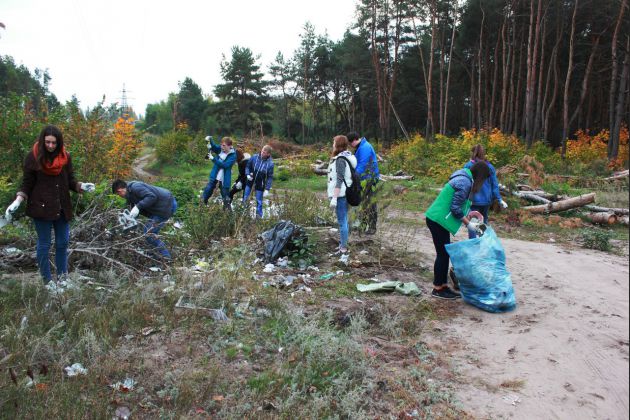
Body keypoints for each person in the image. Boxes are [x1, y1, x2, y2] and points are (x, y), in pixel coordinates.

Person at [4, 125, 95, 284]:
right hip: (41, 207)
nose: (51, 146)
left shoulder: (65, 157)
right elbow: (27, 183)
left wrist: (81, 186)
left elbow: (70, 180)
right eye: (47, 142)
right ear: (42, 141)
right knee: (44, 244)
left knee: (62, 243)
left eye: (54, 142)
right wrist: (17, 201)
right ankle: (47, 282)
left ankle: (62, 279)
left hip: (61, 206)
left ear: (59, 142)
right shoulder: (33, 157)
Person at [424, 161, 491, 300]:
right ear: (480, 176)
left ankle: (443, 286)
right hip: (437, 220)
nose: (483, 183)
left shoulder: (465, 179)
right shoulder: (465, 182)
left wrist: (470, 214)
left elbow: (458, 204)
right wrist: (469, 225)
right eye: (484, 179)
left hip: (440, 220)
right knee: (442, 254)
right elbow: (455, 208)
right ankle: (438, 288)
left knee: (444, 253)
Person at [112, 179, 177, 260]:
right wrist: (122, 224)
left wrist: (138, 206)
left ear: (120, 190)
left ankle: (166, 256)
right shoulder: (130, 195)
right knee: (149, 233)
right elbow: (130, 211)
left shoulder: (136, 187)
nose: (119, 196)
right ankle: (155, 254)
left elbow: (151, 196)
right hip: (160, 207)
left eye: (118, 194)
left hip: (166, 204)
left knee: (149, 233)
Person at [463, 144, 508, 238]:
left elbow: (464, 182)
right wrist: (499, 199)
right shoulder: (490, 167)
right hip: (486, 201)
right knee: (482, 222)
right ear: (483, 154)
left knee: (473, 222)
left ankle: (474, 242)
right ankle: (481, 241)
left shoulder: (468, 165)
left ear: (473, 153)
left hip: (473, 200)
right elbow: (494, 185)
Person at [327, 135, 357, 255]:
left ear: (338, 144)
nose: (333, 144)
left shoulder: (340, 160)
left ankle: (343, 248)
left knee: (342, 221)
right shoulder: (347, 157)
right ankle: (342, 244)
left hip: (340, 195)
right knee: (344, 220)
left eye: (334, 142)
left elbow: (339, 180)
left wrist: (334, 198)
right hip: (345, 192)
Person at [347, 131, 380, 234]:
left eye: (350, 144)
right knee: (363, 203)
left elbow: (362, 165)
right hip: (364, 179)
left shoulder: (365, 147)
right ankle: (363, 225)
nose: (350, 146)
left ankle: (372, 227)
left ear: (354, 140)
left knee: (370, 203)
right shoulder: (360, 147)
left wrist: (353, 177)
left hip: (369, 179)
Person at [202, 136, 237, 207]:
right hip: (215, 175)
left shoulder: (233, 155)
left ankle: (227, 211)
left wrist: (213, 158)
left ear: (230, 146)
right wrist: (210, 140)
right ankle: (202, 205)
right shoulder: (221, 149)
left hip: (224, 179)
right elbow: (214, 147)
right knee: (207, 191)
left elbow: (225, 165)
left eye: (224, 145)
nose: (222, 147)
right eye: (221, 145)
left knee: (225, 197)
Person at [243, 145, 274, 218]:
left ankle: (258, 218)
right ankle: (244, 215)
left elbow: (270, 177)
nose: (262, 153)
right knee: (245, 198)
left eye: (264, 152)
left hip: (260, 184)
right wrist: (247, 174)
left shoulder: (270, 164)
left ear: (268, 154)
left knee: (259, 201)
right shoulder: (254, 157)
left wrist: (267, 189)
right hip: (250, 180)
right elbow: (247, 166)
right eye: (262, 151)